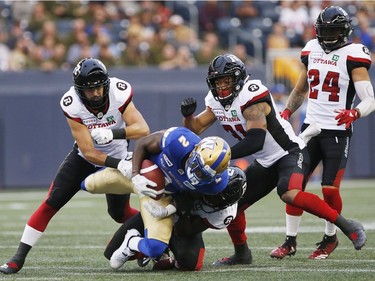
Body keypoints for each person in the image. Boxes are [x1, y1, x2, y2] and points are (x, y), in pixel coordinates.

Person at [180, 53, 367, 265]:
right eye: (217, 82)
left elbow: (255, 141)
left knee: (289, 193)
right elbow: (195, 128)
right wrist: (188, 117)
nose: (222, 86)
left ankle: (348, 226)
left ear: (239, 78)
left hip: (289, 153)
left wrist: (223, 155)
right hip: (265, 161)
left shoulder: (252, 96)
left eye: (227, 80)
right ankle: (242, 254)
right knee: (230, 203)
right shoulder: (214, 101)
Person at [0, 57, 150, 274]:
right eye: (89, 90)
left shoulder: (119, 92)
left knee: (119, 213)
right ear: (79, 91)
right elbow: (89, 151)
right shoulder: (72, 103)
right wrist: (119, 164)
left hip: (117, 153)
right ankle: (18, 258)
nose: (96, 93)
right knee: (51, 202)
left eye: (98, 87)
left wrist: (113, 133)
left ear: (105, 84)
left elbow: (142, 129)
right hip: (85, 158)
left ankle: (153, 240)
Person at [272, 6, 375, 260]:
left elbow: (369, 99)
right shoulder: (311, 49)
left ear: (344, 31)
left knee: (329, 189)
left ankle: (330, 237)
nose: (328, 36)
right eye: (325, 31)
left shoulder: (353, 54)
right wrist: (286, 111)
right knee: (294, 186)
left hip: (338, 131)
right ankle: (290, 241)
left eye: (333, 31)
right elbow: (300, 89)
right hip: (310, 129)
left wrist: (355, 113)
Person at [83, 126, 231, 270]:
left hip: (162, 199)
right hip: (142, 171)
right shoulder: (178, 141)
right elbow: (142, 143)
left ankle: (134, 242)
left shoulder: (215, 185)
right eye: (197, 167)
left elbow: (187, 200)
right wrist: (135, 174)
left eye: (204, 174)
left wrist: (167, 211)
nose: (197, 175)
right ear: (195, 152)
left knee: (183, 259)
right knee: (89, 184)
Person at [103, 166, 247, 271]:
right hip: (158, 213)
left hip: (183, 222)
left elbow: (186, 231)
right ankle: (135, 242)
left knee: (190, 264)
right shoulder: (197, 177)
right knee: (111, 253)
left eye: (219, 198)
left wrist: (184, 210)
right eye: (215, 191)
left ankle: (158, 250)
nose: (213, 197)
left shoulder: (225, 213)